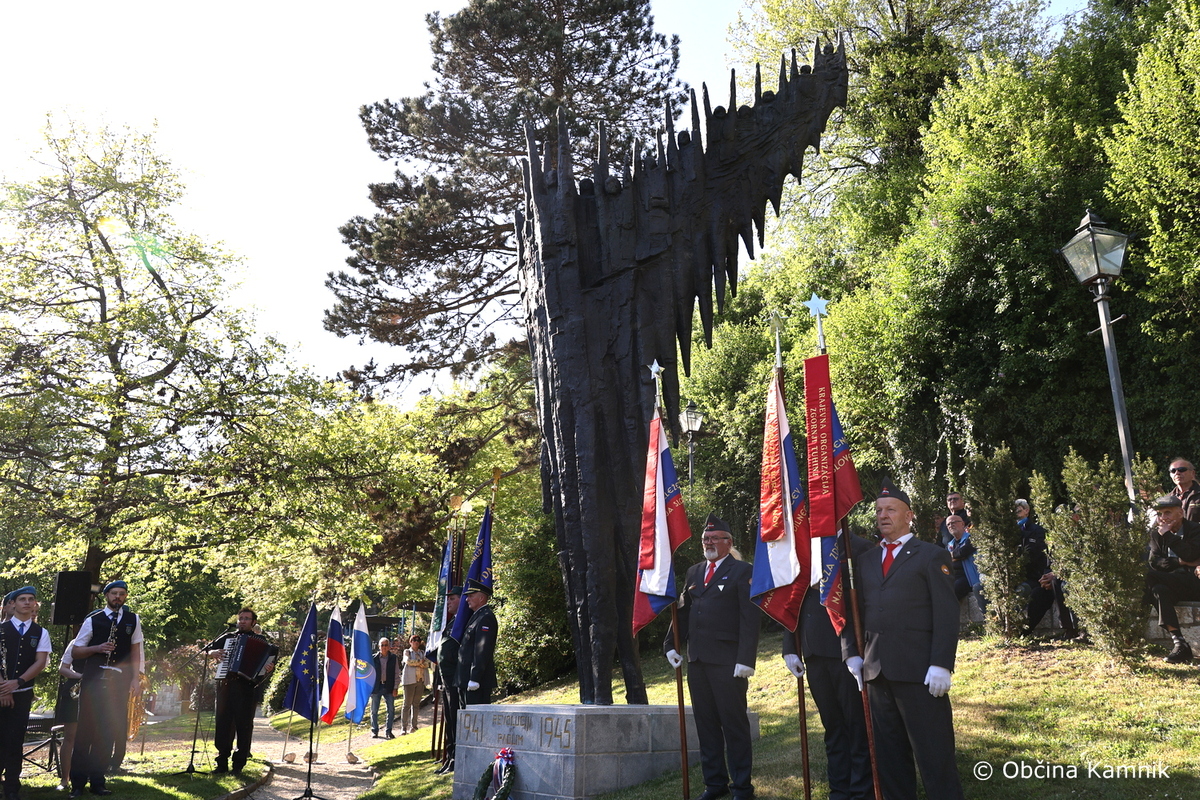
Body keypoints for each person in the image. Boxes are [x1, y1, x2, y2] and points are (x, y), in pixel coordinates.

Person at [842, 481, 964, 800]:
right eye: (879, 511)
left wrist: (941, 664)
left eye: (891, 510)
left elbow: (946, 613)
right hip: (877, 674)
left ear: (908, 516)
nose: (883, 516)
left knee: (935, 758)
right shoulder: (866, 560)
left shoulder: (931, 555)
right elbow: (852, 610)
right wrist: (852, 653)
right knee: (890, 763)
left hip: (919, 673)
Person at [664, 513, 759, 800]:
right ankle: (715, 784)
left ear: (728, 542)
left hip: (728, 662)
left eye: (715, 538)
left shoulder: (742, 571)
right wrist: (671, 644)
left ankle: (742, 788)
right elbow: (683, 610)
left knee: (734, 725)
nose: (708, 542)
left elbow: (750, 618)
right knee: (706, 726)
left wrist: (746, 659)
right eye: (706, 538)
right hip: (698, 661)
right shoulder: (694, 572)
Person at [781, 537, 874, 800]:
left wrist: (855, 649)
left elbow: (864, 601)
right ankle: (839, 789)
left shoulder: (859, 548)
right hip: (813, 651)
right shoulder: (802, 547)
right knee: (832, 726)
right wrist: (790, 645)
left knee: (857, 726)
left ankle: (862, 790)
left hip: (847, 651)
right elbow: (792, 597)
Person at [69, 580, 144, 798]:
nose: (117, 597)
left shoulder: (133, 619)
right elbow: (76, 651)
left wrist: (136, 679)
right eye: (114, 593)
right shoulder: (93, 619)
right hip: (93, 681)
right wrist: (98, 648)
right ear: (107, 596)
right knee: (85, 733)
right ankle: (77, 783)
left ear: (125, 597)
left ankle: (98, 782)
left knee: (107, 733)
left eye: (121, 594)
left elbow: (136, 651)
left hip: (118, 683)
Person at [205, 608, 275, 774]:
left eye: (246, 618)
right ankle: (221, 763)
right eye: (240, 618)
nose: (242, 621)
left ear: (253, 622)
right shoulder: (227, 637)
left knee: (244, 726)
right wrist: (213, 652)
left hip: (246, 688)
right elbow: (207, 650)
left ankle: (238, 764)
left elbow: (267, 665)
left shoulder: (261, 640)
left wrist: (268, 668)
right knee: (223, 724)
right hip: (225, 685)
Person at [1, 586, 52, 800]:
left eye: (31, 599)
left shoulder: (41, 632)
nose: (27, 602)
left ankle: (12, 788)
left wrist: (18, 682)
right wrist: (4, 689)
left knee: (15, 741)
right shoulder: (1, 629)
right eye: (22, 599)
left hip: (22, 693)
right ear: (13, 603)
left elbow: (40, 662)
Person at [1145, 494, 1200, 663]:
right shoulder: (1156, 534)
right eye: (1160, 514)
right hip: (1170, 582)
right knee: (1158, 590)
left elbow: (1191, 554)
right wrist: (1181, 562)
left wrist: (1168, 536)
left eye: (1168, 512)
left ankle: (1134, 623)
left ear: (1180, 513)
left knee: (1146, 576)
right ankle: (1180, 643)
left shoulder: (1195, 530)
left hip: (1193, 582)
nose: (1163, 518)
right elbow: (1155, 563)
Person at [1016, 499, 1077, 638]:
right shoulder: (1058, 542)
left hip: (1068, 579)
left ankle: (1070, 630)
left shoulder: (1079, 538)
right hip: (1054, 580)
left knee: (1058, 584)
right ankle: (1024, 632)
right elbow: (1049, 563)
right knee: (1039, 593)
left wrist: (1055, 575)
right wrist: (1046, 577)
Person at [431, 586, 463, 774]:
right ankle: (450, 757)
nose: (448, 602)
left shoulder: (463, 621)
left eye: (452, 598)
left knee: (455, 720)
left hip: (455, 679)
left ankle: (455, 759)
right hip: (446, 680)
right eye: (448, 599)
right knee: (450, 720)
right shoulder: (452, 622)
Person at [456, 580, 498, 708]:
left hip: (477, 682)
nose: (467, 599)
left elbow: (482, 649)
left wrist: (475, 678)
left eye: (471, 596)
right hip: (466, 679)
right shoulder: (476, 616)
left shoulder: (486, 617)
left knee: (475, 719)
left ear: (481, 598)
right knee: (465, 717)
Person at [56, 650, 84, 792]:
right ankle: (65, 779)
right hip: (74, 691)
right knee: (70, 736)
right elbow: (63, 669)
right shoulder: (75, 644)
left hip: (96, 691)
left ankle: (88, 777)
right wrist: (81, 676)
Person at [944, 512, 984, 608]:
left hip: (969, 577)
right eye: (948, 524)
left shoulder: (972, 538)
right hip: (953, 576)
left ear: (962, 524)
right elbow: (945, 559)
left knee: (951, 592)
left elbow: (963, 552)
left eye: (954, 522)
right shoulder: (950, 545)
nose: (951, 525)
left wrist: (954, 556)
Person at [369, 638, 399, 739]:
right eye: (382, 645)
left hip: (389, 686)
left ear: (389, 646)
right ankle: (374, 730)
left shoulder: (393, 658)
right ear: (379, 647)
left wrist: (395, 687)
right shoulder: (373, 658)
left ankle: (388, 731)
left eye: (386, 645)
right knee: (374, 710)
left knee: (391, 710)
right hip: (376, 687)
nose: (384, 647)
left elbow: (396, 673)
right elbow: (369, 673)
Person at [400, 634, 430, 734]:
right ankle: (403, 727)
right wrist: (420, 662)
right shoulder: (407, 652)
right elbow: (408, 661)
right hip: (409, 681)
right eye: (414, 640)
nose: (416, 642)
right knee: (407, 704)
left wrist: (418, 662)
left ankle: (414, 726)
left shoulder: (422, 652)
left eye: (418, 640)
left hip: (420, 681)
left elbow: (427, 664)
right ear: (410, 642)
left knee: (416, 704)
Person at [1167, 458, 1200, 522]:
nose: (1177, 473)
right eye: (1173, 471)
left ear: (1192, 473)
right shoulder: (1168, 498)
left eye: (1181, 469)